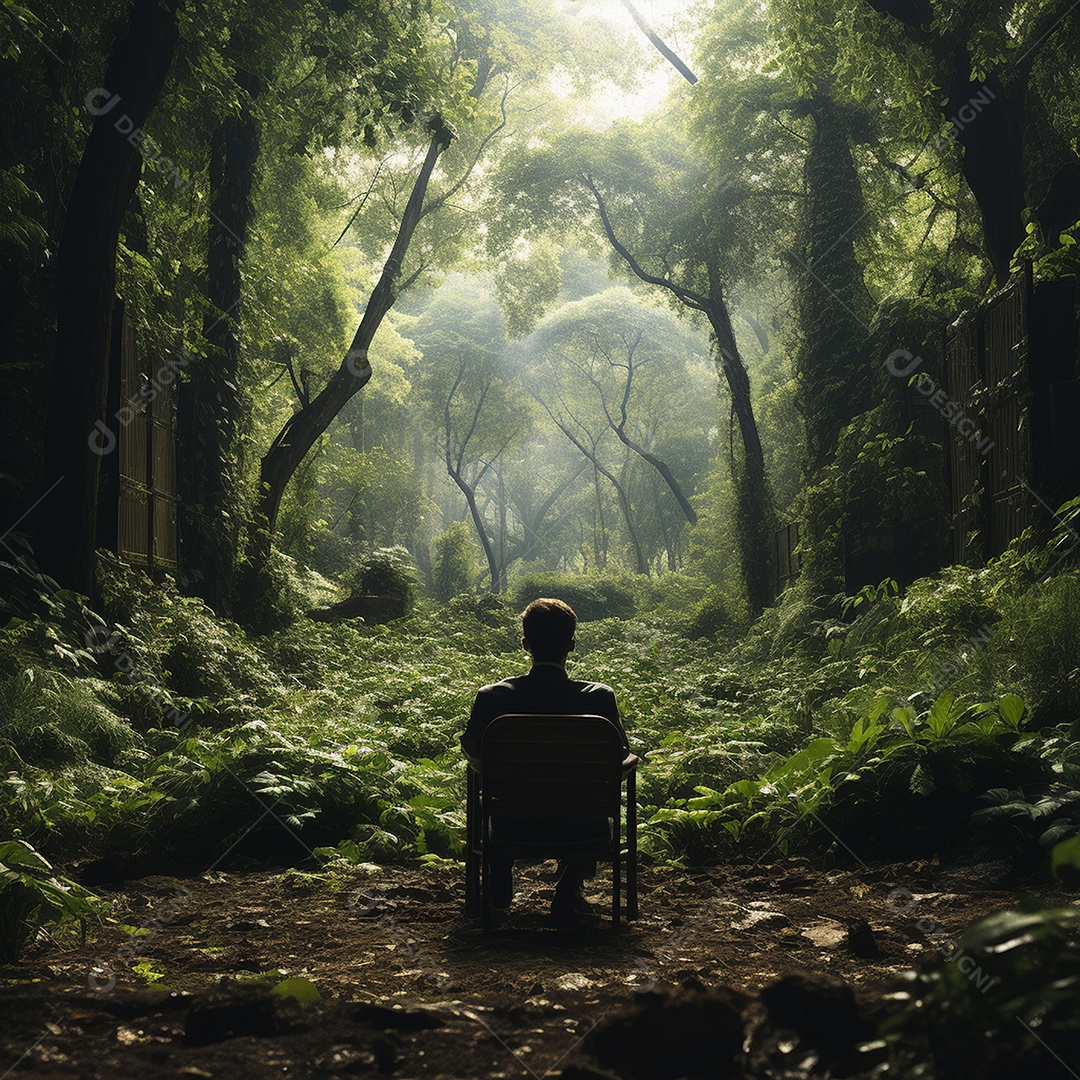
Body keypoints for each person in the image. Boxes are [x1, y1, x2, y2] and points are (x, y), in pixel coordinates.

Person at [462, 597, 630, 921]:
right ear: (572, 644)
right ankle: (568, 890)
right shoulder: (599, 698)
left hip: (511, 824)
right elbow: (620, 757)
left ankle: (498, 875)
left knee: (487, 789)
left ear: (524, 643)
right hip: (582, 826)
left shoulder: (491, 697)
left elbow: (473, 753)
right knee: (589, 797)